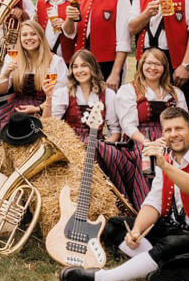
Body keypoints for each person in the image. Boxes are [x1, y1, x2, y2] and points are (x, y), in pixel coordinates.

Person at [60, 106, 189, 281]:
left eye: (179, 128)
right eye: (168, 130)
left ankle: (99, 278)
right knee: (114, 224)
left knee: (170, 244)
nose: (173, 134)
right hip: (174, 229)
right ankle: (164, 265)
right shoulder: (167, 161)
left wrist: (165, 167)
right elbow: (154, 203)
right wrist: (136, 230)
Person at [55, 50, 149, 210]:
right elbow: (54, 124)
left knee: (110, 154)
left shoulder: (108, 94)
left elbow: (115, 130)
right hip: (70, 143)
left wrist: (104, 144)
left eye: (84, 66)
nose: (79, 70)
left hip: (98, 142)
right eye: (75, 66)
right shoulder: (64, 93)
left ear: (92, 68)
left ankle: (120, 202)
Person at [0, 21, 67, 145]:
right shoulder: (12, 58)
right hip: (17, 105)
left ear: (40, 37)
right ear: (20, 39)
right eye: (24, 35)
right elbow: (1, 91)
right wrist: (6, 73)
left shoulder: (55, 61)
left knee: (30, 130)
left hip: (43, 106)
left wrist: (38, 108)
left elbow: (60, 95)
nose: (28, 38)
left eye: (33, 34)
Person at [73, 0, 132, 90]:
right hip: (81, 64)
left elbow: (123, 41)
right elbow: (71, 34)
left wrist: (115, 73)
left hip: (107, 65)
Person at [115, 49, 188, 149]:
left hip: (170, 140)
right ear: (142, 65)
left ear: (164, 68)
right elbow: (128, 125)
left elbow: (184, 123)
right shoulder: (128, 90)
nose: (153, 68)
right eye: (149, 63)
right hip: (139, 141)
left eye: (158, 64)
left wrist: (165, 140)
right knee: (148, 155)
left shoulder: (176, 93)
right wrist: (147, 142)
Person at [36, 0, 78, 64]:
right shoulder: (40, 3)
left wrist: (64, 24)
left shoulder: (74, 1)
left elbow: (75, 33)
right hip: (45, 61)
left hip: (69, 62)